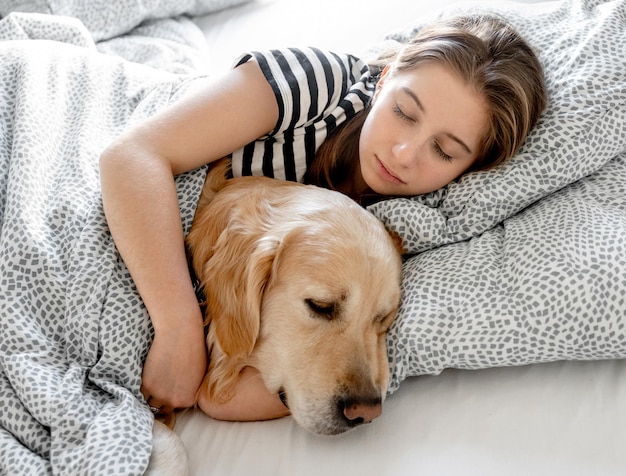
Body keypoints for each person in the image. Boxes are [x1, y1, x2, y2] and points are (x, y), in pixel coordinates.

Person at [99, 14, 547, 421]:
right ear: (384, 79)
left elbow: (226, 395)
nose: (404, 154)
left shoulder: (413, 218)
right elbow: (132, 156)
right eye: (404, 112)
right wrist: (178, 329)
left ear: (469, 169)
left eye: (444, 150)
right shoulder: (315, 85)